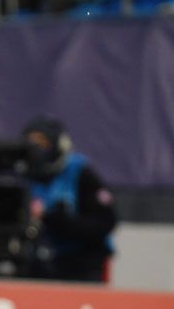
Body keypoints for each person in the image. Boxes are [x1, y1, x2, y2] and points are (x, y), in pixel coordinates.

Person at [20, 116, 117, 282]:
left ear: (58, 145)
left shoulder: (79, 172)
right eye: (31, 143)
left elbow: (106, 221)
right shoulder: (20, 176)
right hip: (37, 261)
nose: (36, 149)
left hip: (80, 262)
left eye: (42, 142)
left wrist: (58, 221)